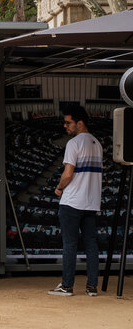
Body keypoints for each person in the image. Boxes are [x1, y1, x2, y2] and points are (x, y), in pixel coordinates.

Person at [49, 105, 103, 297]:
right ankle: (92, 287)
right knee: (91, 244)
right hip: (91, 201)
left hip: (72, 201)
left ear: (80, 123)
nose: (65, 126)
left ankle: (67, 286)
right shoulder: (97, 143)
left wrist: (59, 188)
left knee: (70, 244)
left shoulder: (74, 143)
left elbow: (67, 174)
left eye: (68, 122)